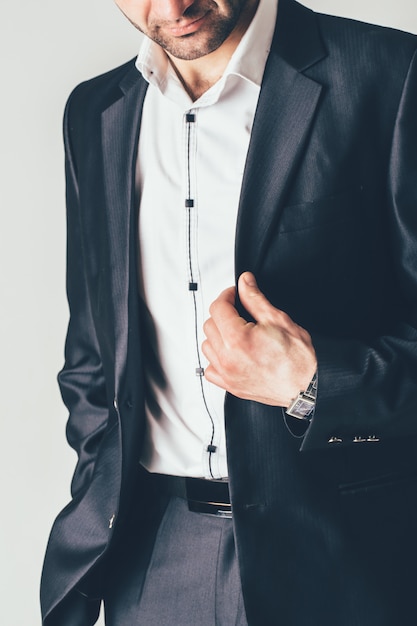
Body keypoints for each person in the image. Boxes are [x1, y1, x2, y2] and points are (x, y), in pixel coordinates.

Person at [41, 0, 417, 623]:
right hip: (155, 561)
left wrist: (316, 384)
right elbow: (92, 352)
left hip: (344, 557)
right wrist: (97, 482)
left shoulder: (389, 75)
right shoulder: (95, 112)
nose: (170, 6)